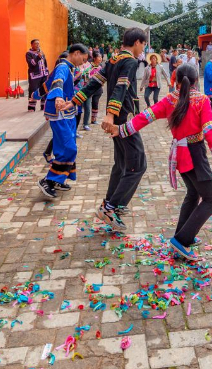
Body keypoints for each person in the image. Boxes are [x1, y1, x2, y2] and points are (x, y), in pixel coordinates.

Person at [114, 64, 212, 259]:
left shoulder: (170, 99)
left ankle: (183, 234)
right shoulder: (201, 100)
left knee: (193, 193)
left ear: (176, 80)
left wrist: (121, 130)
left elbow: (146, 116)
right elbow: (210, 128)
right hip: (195, 154)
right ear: (196, 81)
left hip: (179, 153)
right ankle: (182, 240)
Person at [73, 28, 148, 231]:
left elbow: (94, 83)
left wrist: (74, 101)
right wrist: (110, 114)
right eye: (143, 44)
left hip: (118, 119)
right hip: (124, 121)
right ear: (137, 42)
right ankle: (111, 208)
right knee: (138, 165)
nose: (143, 48)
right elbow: (121, 87)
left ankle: (109, 204)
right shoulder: (130, 61)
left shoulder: (113, 59)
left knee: (121, 163)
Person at [37, 44, 89, 199]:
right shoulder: (63, 67)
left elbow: (48, 84)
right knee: (68, 148)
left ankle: (58, 179)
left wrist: (35, 95)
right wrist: (58, 97)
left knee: (66, 146)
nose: (83, 63)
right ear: (76, 53)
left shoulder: (69, 68)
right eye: (83, 59)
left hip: (67, 113)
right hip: (59, 113)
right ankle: (48, 180)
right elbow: (57, 81)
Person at [26, 39, 49, 112]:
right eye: (36, 43)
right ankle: (31, 107)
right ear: (32, 45)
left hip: (44, 75)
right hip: (34, 76)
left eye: (38, 43)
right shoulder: (29, 54)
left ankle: (43, 106)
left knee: (44, 89)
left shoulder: (41, 52)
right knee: (33, 90)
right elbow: (32, 63)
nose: (38, 45)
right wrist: (38, 57)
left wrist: (47, 72)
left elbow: (45, 63)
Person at [83, 52, 104, 128]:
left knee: (95, 103)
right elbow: (86, 76)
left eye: (101, 57)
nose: (100, 59)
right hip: (90, 87)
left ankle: (93, 119)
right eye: (99, 57)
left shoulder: (100, 67)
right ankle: (85, 123)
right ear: (94, 58)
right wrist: (93, 77)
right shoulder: (89, 66)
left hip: (98, 88)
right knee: (88, 106)